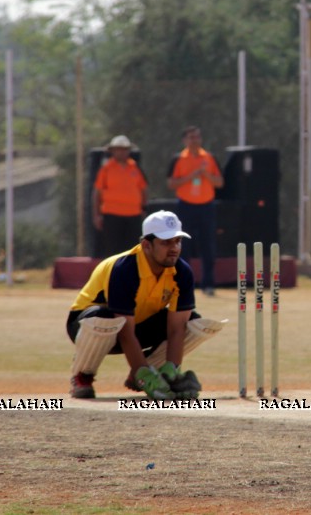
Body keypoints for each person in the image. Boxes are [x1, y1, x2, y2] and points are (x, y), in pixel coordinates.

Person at [66, 210, 218, 399]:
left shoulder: (182, 272)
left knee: (192, 322)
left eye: (177, 241)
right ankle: (83, 376)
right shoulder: (125, 268)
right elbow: (124, 330)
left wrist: (172, 369)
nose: (174, 248)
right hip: (87, 325)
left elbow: (176, 329)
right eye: (165, 242)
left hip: (136, 325)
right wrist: (142, 372)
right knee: (104, 318)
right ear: (146, 245)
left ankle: (156, 373)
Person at [166, 126, 224, 295]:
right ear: (185, 140)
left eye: (197, 137)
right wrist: (191, 176)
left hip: (206, 206)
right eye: (191, 137)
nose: (195, 140)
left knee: (208, 245)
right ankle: (183, 284)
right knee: (184, 245)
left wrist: (205, 174)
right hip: (185, 205)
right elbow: (171, 184)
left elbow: (219, 182)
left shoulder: (210, 158)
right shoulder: (178, 159)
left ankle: (208, 284)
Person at [92, 135, 148, 259]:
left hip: (134, 214)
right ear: (112, 151)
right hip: (112, 215)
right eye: (118, 149)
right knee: (113, 251)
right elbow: (97, 193)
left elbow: (143, 189)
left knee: (133, 250)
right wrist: (96, 215)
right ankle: (114, 276)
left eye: (125, 149)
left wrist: (144, 208)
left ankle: (132, 277)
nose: (122, 152)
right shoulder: (106, 169)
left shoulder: (135, 167)